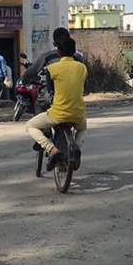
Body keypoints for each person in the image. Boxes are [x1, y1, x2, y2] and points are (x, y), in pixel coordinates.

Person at [25, 37, 87, 169]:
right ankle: (76, 148)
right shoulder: (82, 68)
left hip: (58, 114)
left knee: (31, 125)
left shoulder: (52, 68)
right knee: (82, 129)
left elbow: (51, 91)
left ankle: (52, 150)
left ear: (58, 51)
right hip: (78, 113)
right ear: (74, 51)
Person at [20, 27, 88, 84]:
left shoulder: (48, 58)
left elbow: (31, 72)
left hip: (57, 95)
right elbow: (84, 80)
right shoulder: (79, 57)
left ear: (54, 43)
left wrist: (24, 80)